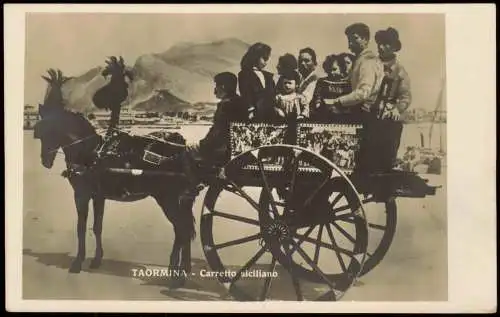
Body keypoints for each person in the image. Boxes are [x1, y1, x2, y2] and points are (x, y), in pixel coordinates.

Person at [326, 22, 386, 174]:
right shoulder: (360, 59)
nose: (350, 43)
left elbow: (363, 92)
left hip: (364, 115)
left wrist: (338, 101)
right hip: (362, 113)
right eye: (349, 40)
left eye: (355, 39)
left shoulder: (368, 61)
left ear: (366, 40)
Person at [181, 72, 248, 200]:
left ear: (223, 87)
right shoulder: (240, 102)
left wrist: (202, 144)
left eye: (216, 85)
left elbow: (218, 132)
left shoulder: (225, 105)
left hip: (222, 150)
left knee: (186, 150)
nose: (214, 89)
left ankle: (194, 184)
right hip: (236, 149)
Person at [374, 27, 412, 169]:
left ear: (394, 47)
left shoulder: (400, 71)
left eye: (386, 43)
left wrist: (397, 109)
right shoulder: (371, 65)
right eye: (379, 43)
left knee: (386, 158)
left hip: (388, 120)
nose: (381, 47)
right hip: (369, 116)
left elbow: (405, 96)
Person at [238, 42, 276, 122]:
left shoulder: (268, 76)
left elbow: (272, 95)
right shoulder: (245, 74)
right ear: (255, 57)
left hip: (269, 114)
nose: (266, 63)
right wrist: (250, 110)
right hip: (253, 115)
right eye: (264, 59)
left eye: (267, 60)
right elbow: (245, 93)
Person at [310, 54, 352, 122]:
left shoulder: (347, 83)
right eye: (329, 69)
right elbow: (317, 96)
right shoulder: (322, 82)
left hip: (343, 116)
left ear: (341, 68)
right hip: (324, 115)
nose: (332, 72)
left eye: (334, 69)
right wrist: (318, 104)